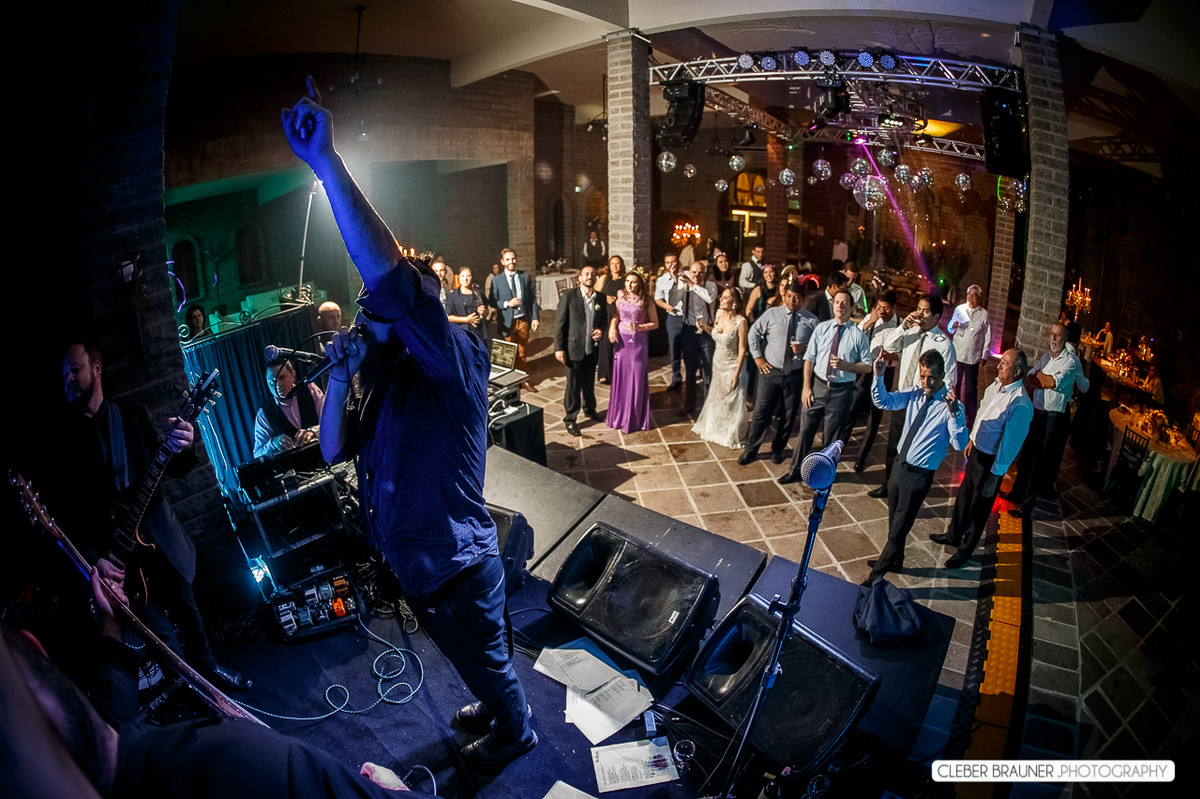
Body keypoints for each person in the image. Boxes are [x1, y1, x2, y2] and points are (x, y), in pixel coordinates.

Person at [284, 76, 534, 772]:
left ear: (411, 315)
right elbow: (333, 448)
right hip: (419, 566)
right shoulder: (385, 378)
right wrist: (342, 375)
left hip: (458, 565)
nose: (362, 321)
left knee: (488, 662)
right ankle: (495, 703)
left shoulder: (451, 356)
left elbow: (393, 284)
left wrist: (328, 163)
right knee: (467, 659)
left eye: (374, 314)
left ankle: (515, 730)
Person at [0, 570, 436, 799]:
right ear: (35, 648)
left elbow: (112, 728)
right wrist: (394, 791)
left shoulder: (112, 761)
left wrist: (109, 626)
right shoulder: (241, 766)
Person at [56, 340, 248, 691]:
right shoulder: (65, 444)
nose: (67, 378)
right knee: (160, 638)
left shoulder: (132, 416)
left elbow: (171, 466)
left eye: (75, 369)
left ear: (96, 368)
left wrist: (185, 444)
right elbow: (70, 515)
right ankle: (191, 693)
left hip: (158, 541)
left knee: (189, 612)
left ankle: (210, 672)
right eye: (64, 373)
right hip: (119, 561)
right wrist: (96, 560)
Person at [865, 350, 968, 581]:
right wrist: (879, 377)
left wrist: (956, 416)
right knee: (894, 522)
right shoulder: (915, 393)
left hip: (918, 476)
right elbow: (883, 401)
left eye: (931, 378)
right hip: (899, 467)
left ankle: (874, 577)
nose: (926, 383)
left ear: (942, 376)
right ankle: (896, 561)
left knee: (898, 529)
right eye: (922, 376)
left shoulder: (950, 407)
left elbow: (959, 444)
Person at [932, 349, 1033, 568]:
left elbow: (1010, 446)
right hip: (977, 452)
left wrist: (995, 476)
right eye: (1001, 361)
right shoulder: (995, 386)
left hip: (991, 462)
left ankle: (965, 550)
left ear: (1017, 371)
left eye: (1005, 363)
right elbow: (982, 413)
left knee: (979, 508)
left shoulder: (1020, 403)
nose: (1000, 365)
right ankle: (953, 534)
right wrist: (972, 439)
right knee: (964, 497)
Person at [867, 294, 957, 498]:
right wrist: (903, 327)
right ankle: (889, 484)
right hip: (903, 397)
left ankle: (905, 488)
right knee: (893, 443)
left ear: (936, 317)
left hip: (922, 403)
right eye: (918, 309)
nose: (920, 314)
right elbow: (888, 346)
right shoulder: (911, 332)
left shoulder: (943, 344)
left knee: (912, 447)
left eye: (925, 311)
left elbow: (949, 380)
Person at [779, 289, 872, 484]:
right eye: (837, 302)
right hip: (818, 386)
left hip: (841, 391)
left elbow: (867, 366)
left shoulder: (858, 336)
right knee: (805, 431)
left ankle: (822, 475)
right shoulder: (822, 328)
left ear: (852, 308)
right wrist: (806, 387)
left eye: (844, 303)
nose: (840, 306)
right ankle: (796, 470)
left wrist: (848, 366)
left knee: (831, 438)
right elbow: (809, 359)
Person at [1007, 322, 1090, 517]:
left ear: (1065, 338)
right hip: (1038, 412)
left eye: (1058, 335)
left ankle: (1026, 506)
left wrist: (1040, 377)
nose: (1053, 338)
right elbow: (1030, 377)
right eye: (1051, 334)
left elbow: (1052, 382)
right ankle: (1017, 493)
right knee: (1026, 456)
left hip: (1054, 416)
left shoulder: (1070, 361)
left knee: (1040, 462)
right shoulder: (1045, 357)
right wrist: (1039, 377)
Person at [739, 279, 819, 465]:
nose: (791, 300)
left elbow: (819, 346)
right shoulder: (772, 314)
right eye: (789, 296)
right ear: (784, 296)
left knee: (788, 416)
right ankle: (751, 449)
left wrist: (805, 348)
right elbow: (754, 333)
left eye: (796, 297)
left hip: (795, 375)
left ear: (803, 299)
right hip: (770, 372)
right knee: (761, 413)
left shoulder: (811, 321)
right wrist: (757, 357)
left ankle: (778, 449)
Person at [692, 287, 748, 450]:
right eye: (722, 297)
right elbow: (716, 334)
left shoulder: (741, 322)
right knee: (717, 397)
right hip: (718, 363)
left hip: (732, 364)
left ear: (734, 302)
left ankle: (729, 431)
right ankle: (714, 427)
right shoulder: (718, 314)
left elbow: (742, 349)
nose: (721, 300)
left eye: (725, 297)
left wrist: (737, 373)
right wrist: (705, 327)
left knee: (731, 398)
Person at [555, 265, 608, 436]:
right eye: (586, 274)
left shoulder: (600, 298)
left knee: (589, 382)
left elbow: (604, 319)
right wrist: (559, 348)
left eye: (593, 274)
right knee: (573, 386)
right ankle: (570, 418)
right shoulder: (569, 296)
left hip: (591, 348)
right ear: (580, 278)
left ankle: (590, 410)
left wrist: (600, 330)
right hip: (573, 349)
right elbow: (560, 323)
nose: (590, 276)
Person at [849, 290, 899, 472]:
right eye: (879, 307)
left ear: (894, 308)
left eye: (886, 308)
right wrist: (870, 321)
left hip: (885, 373)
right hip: (866, 370)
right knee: (851, 410)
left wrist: (890, 356)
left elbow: (903, 354)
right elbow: (853, 336)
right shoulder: (872, 319)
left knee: (874, 417)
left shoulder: (900, 326)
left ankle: (861, 458)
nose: (882, 311)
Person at [607, 270, 658, 433]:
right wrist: (612, 326)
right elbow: (617, 315)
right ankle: (619, 416)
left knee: (636, 376)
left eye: (633, 281)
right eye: (627, 281)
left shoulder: (647, 300)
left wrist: (639, 327)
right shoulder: (620, 295)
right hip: (621, 342)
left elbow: (655, 323)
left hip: (637, 343)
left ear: (639, 284)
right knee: (621, 376)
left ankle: (635, 419)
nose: (629, 284)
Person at [253, 355, 325, 458]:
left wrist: (313, 431)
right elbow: (257, 453)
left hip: (323, 454)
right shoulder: (264, 413)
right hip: (294, 465)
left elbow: (332, 423)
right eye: (272, 381)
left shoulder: (310, 390)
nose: (277, 385)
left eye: (282, 378)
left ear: (293, 375)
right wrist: (272, 443)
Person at [489, 247, 540, 390]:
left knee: (522, 353)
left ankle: (523, 380)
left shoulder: (524, 276)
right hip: (507, 322)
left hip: (523, 320)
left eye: (513, 258)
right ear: (502, 261)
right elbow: (492, 301)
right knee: (507, 354)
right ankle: (509, 383)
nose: (511, 262)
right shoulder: (497, 280)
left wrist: (535, 317)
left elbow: (532, 299)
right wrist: (507, 303)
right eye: (507, 259)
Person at [948, 284, 991, 427]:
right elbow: (950, 326)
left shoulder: (983, 314)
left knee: (971, 388)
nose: (971, 297)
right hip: (957, 353)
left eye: (974, 295)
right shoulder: (959, 309)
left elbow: (987, 335)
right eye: (969, 294)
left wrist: (984, 355)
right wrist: (953, 326)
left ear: (979, 297)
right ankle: (953, 412)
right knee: (955, 383)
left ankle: (971, 417)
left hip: (973, 356)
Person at [680, 260, 717, 416]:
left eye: (700, 272)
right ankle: (690, 405)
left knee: (708, 370)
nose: (696, 275)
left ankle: (708, 408)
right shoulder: (684, 285)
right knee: (690, 371)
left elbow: (709, 298)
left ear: (705, 273)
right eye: (693, 272)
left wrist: (693, 285)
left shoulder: (710, 286)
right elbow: (673, 299)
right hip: (689, 331)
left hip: (706, 331)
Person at [653, 252, 686, 391]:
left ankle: (692, 375)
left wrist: (676, 278)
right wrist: (666, 306)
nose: (671, 265)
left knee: (690, 349)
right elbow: (657, 298)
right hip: (673, 317)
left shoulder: (686, 276)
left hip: (688, 317)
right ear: (665, 265)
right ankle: (676, 378)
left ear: (678, 262)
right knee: (674, 349)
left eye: (673, 261)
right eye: (668, 262)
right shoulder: (661, 280)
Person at [594, 254, 625, 384]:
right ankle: (604, 373)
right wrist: (605, 297)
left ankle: (619, 372)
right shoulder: (604, 279)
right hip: (605, 313)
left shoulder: (625, 280)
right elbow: (594, 294)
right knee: (606, 340)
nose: (615, 266)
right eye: (612, 263)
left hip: (620, 313)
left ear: (621, 265)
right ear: (609, 265)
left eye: (617, 263)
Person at [444, 266, 491, 345]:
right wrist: (466, 319)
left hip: (479, 333)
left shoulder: (479, 293)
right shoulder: (452, 296)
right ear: (459, 277)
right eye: (463, 276)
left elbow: (487, 312)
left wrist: (483, 312)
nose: (465, 279)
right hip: (462, 334)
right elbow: (448, 317)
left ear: (472, 277)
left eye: (468, 276)